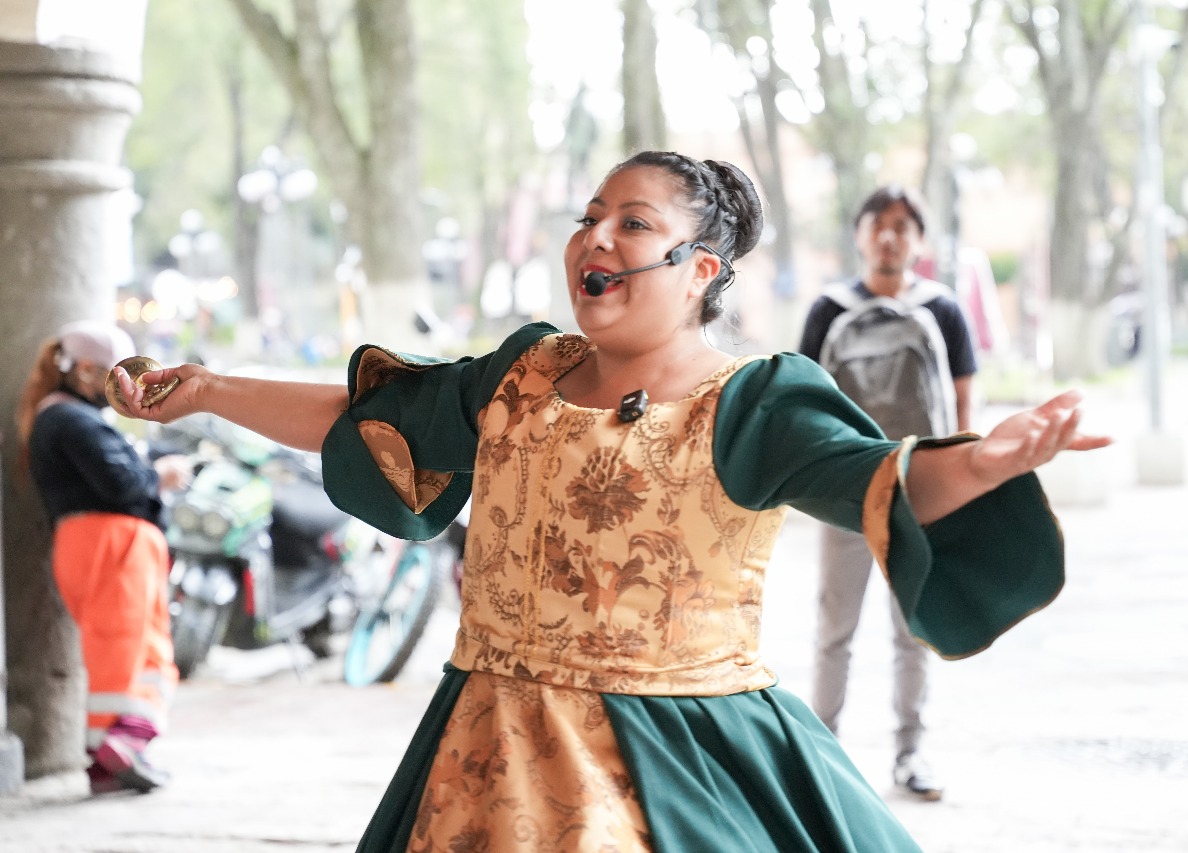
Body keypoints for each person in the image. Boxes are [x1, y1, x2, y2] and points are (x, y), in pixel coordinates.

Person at [113, 150, 1108, 851]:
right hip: (482, 749)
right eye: (589, 216)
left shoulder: (753, 401)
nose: (595, 235)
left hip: (678, 755)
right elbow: (370, 417)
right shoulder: (520, 375)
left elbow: (877, 477)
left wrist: (981, 462)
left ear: (700, 270)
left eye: (633, 223)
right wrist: (209, 391)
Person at [797, 183, 976, 801]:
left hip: (919, 491)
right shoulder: (829, 309)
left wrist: (962, 479)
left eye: (903, 225)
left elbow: (963, 400)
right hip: (845, 490)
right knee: (835, 628)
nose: (889, 236)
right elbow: (805, 400)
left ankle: (911, 752)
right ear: (860, 235)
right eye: (878, 224)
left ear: (919, 240)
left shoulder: (942, 309)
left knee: (913, 629)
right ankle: (824, 753)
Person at [15, 320, 189, 795]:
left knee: (132, 648)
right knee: (124, 650)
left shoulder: (65, 417)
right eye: (118, 374)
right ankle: (119, 746)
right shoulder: (70, 420)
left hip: (98, 544)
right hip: (112, 543)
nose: (125, 386)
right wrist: (159, 476)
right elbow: (122, 483)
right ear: (86, 370)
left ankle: (113, 761)